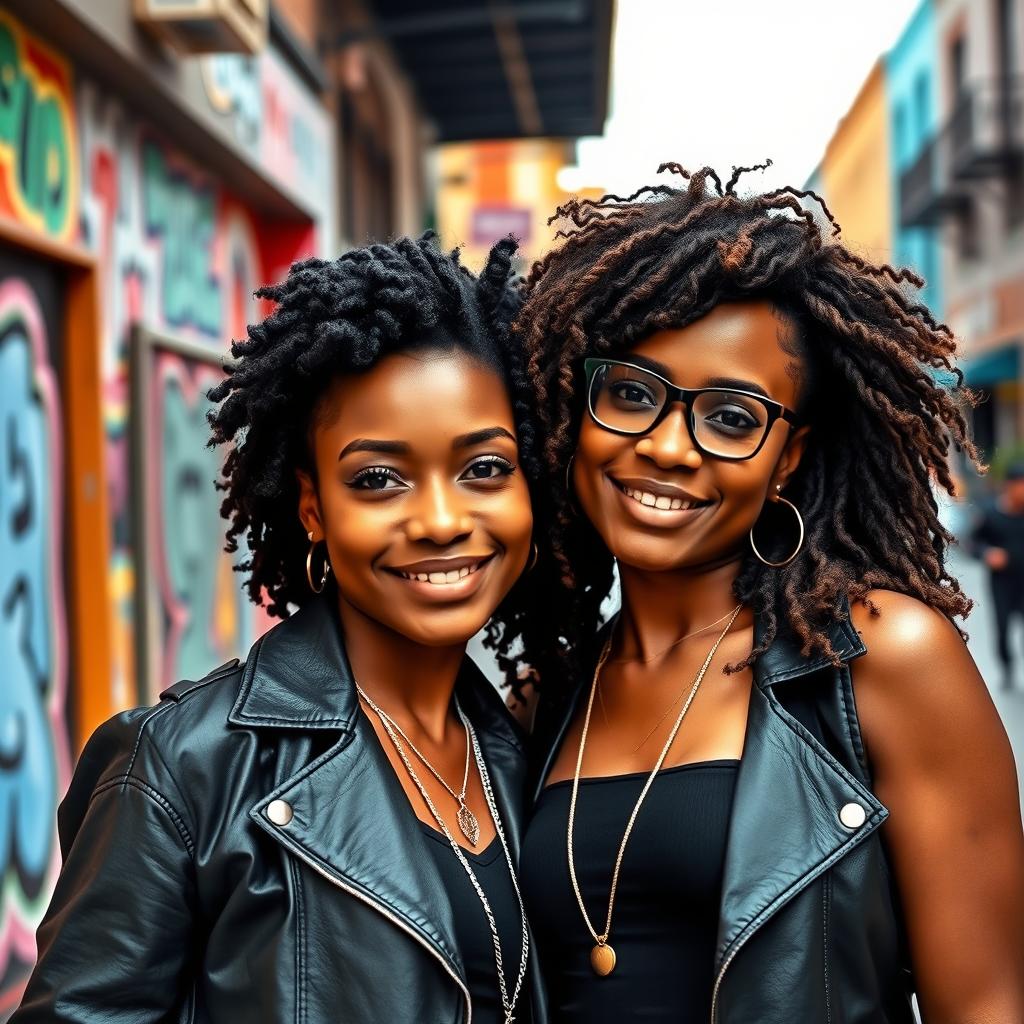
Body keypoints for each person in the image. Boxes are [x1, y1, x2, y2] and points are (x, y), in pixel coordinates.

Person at [514, 164, 1024, 1022]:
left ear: (787, 457)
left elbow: (986, 1006)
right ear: (576, 405)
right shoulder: (551, 696)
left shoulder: (880, 661)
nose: (671, 447)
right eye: (632, 395)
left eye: (731, 416)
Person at [13, 234, 543, 1024]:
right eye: (377, 479)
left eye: (484, 469)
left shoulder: (522, 752)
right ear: (311, 506)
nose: (441, 520)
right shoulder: (180, 770)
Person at [969, 462, 1024, 689]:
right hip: (1001, 582)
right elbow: (972, 542)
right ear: (1009, 486)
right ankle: (1007, 668)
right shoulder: (991, 513)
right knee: (1002, 628)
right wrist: (986, 553)